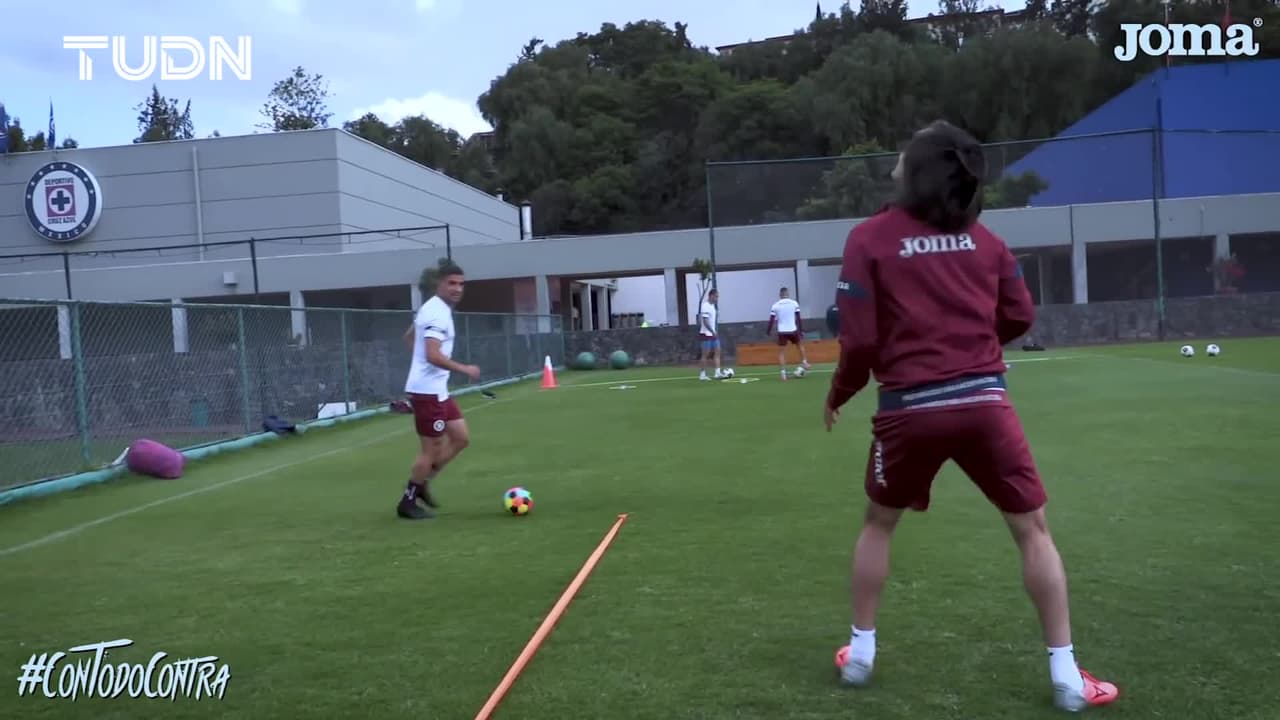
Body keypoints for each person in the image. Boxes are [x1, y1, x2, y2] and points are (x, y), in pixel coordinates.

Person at [823, 120, 1119, 712]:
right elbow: (1020, 315)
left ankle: (860, 655)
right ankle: (1066, 676)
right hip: (986, 403)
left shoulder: (869, 239)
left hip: (910, 409)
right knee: (1032, 531)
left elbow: (860, 341)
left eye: (905, 150)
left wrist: (841, 391)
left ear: (917, 168)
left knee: (879, 522)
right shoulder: (987, 242)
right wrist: (975, 350)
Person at [397, 259, 482, 520]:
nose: (457, 289)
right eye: (452, 283)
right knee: (431, 449)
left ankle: (422, 483)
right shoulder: (436, 312)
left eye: (461, 284)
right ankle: (408, 502)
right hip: (427, 393)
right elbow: (433, 354)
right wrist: (464, 369)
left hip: (438, 390)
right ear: (439, 284)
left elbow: (409, 337)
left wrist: (420, 363)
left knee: (461, 438)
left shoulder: (435, 308)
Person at [766, 286, 810, 380]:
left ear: (780, 294)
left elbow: (771, 320)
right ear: (788, 294)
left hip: (782, 331)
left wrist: (768, 331)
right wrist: (800, 330)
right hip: (793, 329)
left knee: (782, 352)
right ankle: (805, 362)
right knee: (799, 346)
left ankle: (783, 373)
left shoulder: (776, 305)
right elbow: (798, 318)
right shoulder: (794, 303)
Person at [698, 288, 724, 381]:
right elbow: (705, 321)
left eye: (717, 297)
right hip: (706, 334)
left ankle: (717, 373)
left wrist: (714, 332)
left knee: (718, 351)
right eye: (716, 296)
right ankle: (702, 375)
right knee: (706, 354)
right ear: (711, 296)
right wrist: (712, 332)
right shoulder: (705, 306)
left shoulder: (713, 306)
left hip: (713, 334)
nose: (717, 299)